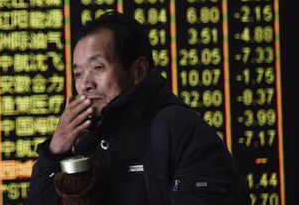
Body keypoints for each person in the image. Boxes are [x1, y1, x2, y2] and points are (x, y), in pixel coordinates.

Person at [28, 11, 250, 204]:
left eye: (97, 67)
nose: (85, 84)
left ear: (139, 71)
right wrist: (55, 152)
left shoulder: (178, 128)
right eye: (78, 73)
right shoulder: (87, 144)